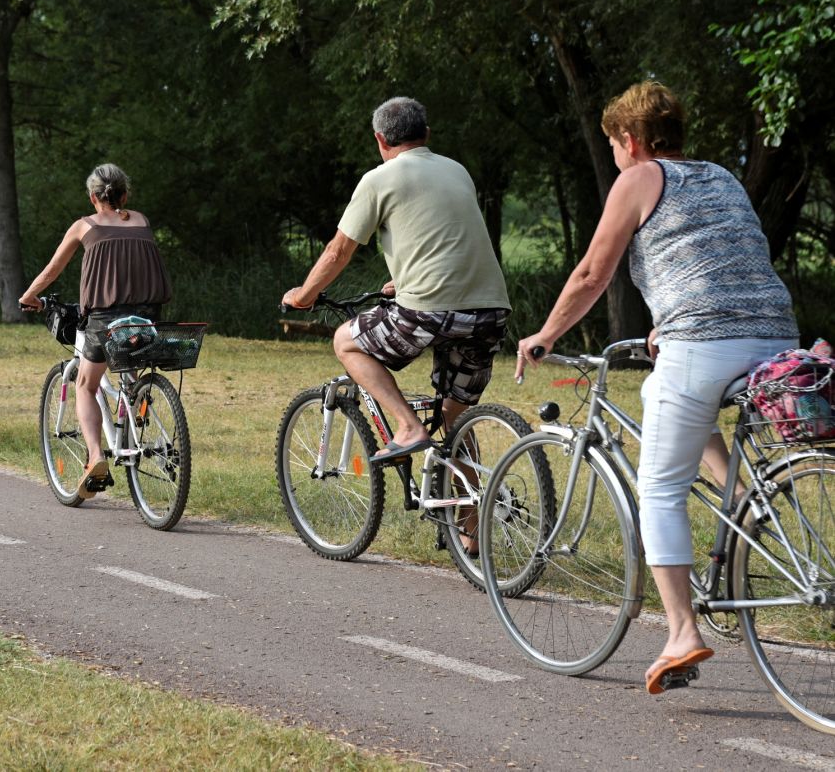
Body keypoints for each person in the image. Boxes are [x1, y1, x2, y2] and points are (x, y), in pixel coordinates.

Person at [515, 81, 798, 695]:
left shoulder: (640, 178)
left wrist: (544, 335)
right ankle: (742, 496)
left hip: (705, 344)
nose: (616, 155)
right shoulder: (722, 175)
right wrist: (667, 325)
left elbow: (592, 274)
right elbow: (719, 261)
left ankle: (680, 633)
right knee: (659, 397)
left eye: (614, 145)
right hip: (776, 337)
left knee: (660, 490)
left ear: (631, 139)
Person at [281, 97, 511, 553]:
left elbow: (338, 251)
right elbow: (447, 239)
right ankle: (469, 526)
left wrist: (304, 295)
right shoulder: (457, 171)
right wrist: (405, 278)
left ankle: (407, 427)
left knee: (347, 341)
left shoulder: (379, 178)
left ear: (380, 139)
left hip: (430, 310)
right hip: (489, 311)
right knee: (454, 419)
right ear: (426, 134)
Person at [19, 163, 173, 499]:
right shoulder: (142, 220)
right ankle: (136, 405)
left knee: (86, 386)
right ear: (125, 195)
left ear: (93, 197)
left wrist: (29, 296)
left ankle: (94, 457)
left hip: (105, 320)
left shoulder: (84, 226)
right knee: (128, 363)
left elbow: (52, 271)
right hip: (148, 317)